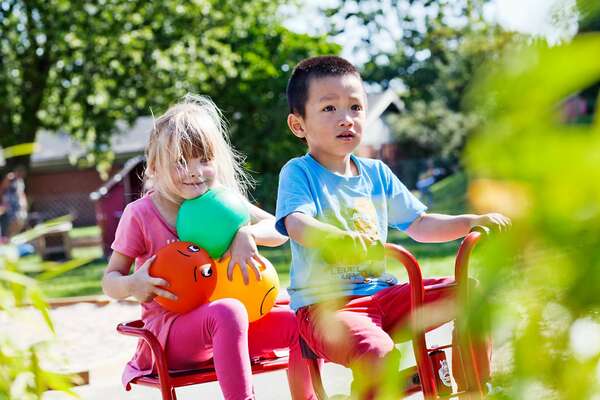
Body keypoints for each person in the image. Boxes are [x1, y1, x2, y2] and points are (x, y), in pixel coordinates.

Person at [275, 56, 511, 398]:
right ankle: (394, 382)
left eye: (355, 107)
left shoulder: (376, 173)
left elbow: (420, 223)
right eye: (329, 109)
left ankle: (473, 387)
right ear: (299, 125)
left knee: (470, 293)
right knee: (376, 351)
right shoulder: (300, 173)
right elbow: (297, 223)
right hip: (327, 309)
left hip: (384, 296)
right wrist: (337, 239)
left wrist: (471, 222)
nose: (346, 118)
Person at [102, 94, 316, 400]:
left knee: (301, 322)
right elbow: (110, 281)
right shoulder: (141, 214)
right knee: (228, 312)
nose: (194, 171)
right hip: (171, 336)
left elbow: (281, 228)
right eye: (179, 162)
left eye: (204, 159)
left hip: (228, 328)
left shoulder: (221, 203)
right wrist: (134, 283)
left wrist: (246, 233)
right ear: (153, 166)